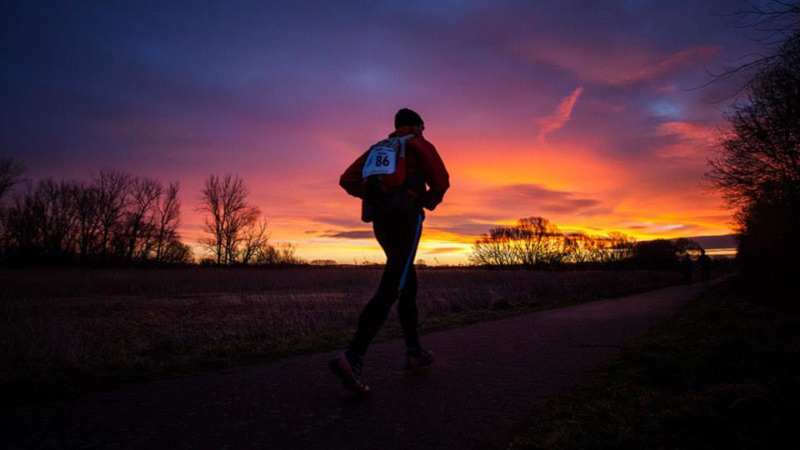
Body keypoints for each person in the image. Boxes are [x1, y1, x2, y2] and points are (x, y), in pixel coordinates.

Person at [329, 108, 450, 394]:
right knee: (392, 286)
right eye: (422, 127)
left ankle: (415, 352)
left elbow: (347, 179)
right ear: (417, 126)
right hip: (406, 217)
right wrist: (427, 201)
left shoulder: (378, 148)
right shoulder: (416, 143)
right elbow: (442, 181)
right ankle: (353, 356)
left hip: (381, 221)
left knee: (406, 282)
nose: (423, 132)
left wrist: (376, 195)